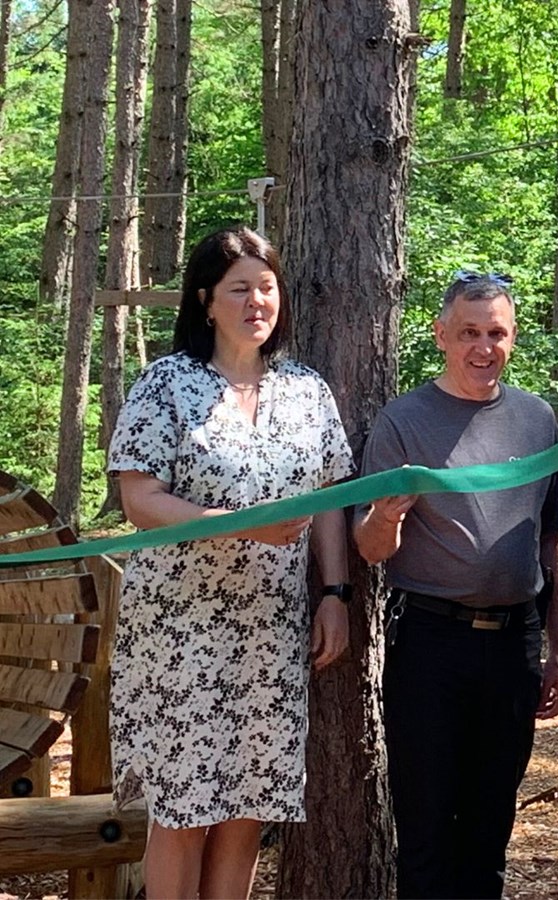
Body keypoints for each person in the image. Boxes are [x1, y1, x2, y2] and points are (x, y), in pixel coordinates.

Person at [107, 225, 353, 899]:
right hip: (180, 631)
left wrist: (335, 592)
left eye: (267, 288)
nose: (256, 302)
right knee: (184, 810)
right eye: (239, 288)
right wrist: (240, 528)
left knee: (247, 807)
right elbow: (139, 499)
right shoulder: (166, 384)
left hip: (269, 632)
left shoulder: (308, 391)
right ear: (205, 300)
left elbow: (332, 496)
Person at [352, 271, 558, 899]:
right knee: (424, 830)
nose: (483, 347)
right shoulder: (404, 421)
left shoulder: (535, 419)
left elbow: (548, 541)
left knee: (489, 830)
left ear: (513, 336)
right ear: (440, 334)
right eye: (469, 333)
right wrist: (390, 511)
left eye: (496, 333)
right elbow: (369, 548)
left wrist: (557, 655)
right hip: (429, 642)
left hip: (513, 645)